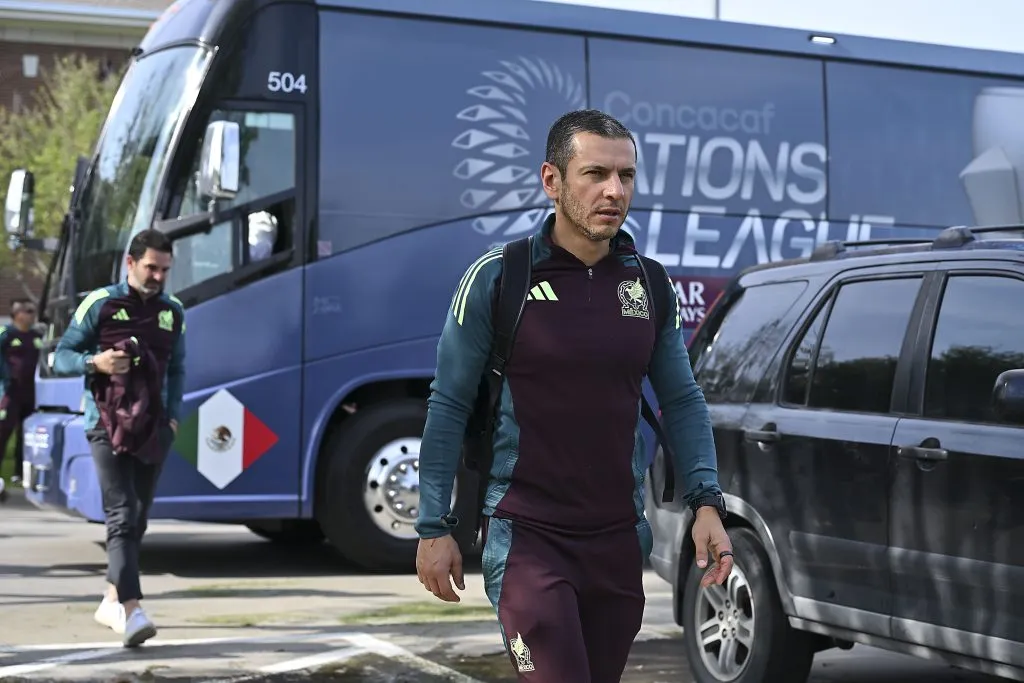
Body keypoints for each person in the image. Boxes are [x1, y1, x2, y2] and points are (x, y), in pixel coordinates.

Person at [415, 109, 734, 682]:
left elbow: (681, 400)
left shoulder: (650, 284)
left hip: (617, 539)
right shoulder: (499, 277)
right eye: (595, 174)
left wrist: (706, 501)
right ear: (552, 181)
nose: (614, 191)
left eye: (626, 176)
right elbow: (449, 404)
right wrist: (434, 526)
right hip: (526, 537)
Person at [53, 229, 186, 648]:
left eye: (165, 269)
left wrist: (174, 419)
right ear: (130, 263)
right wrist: (97, 361)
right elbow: (60, 356)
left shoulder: (173, 311)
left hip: (154, 428)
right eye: (151, 267)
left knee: (139, 517)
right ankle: (132, 611)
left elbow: (178, 369)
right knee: (122, 514)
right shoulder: (100, 302)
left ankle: (110, 598)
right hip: (104, 425)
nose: (158, 277)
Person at [0, 298, 42, 501]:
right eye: (29, 311)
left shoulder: (36, 336)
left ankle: (19, 474)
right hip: (10, 392)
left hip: (31, 393)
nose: (33, 315)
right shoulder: (5, 334)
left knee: (27, 434)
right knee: (3, 431)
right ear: (18, 314)